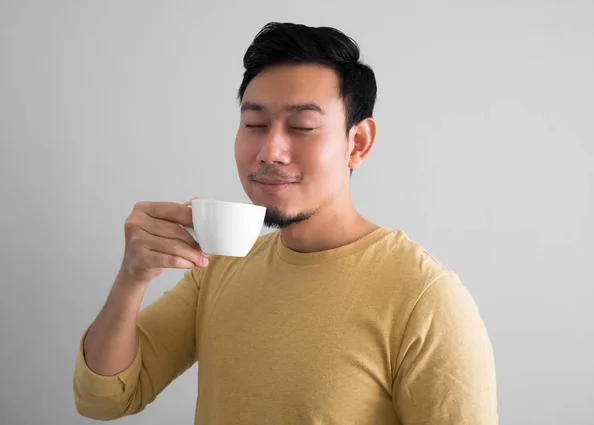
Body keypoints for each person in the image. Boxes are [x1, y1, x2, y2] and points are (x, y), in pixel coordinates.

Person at [73, 22, 498, 424]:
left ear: (359, 143)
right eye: (254, 124)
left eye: (302, 126)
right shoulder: (221, 267)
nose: (270, 150)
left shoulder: (425, 298)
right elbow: (106, 398)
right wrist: (133, 277)